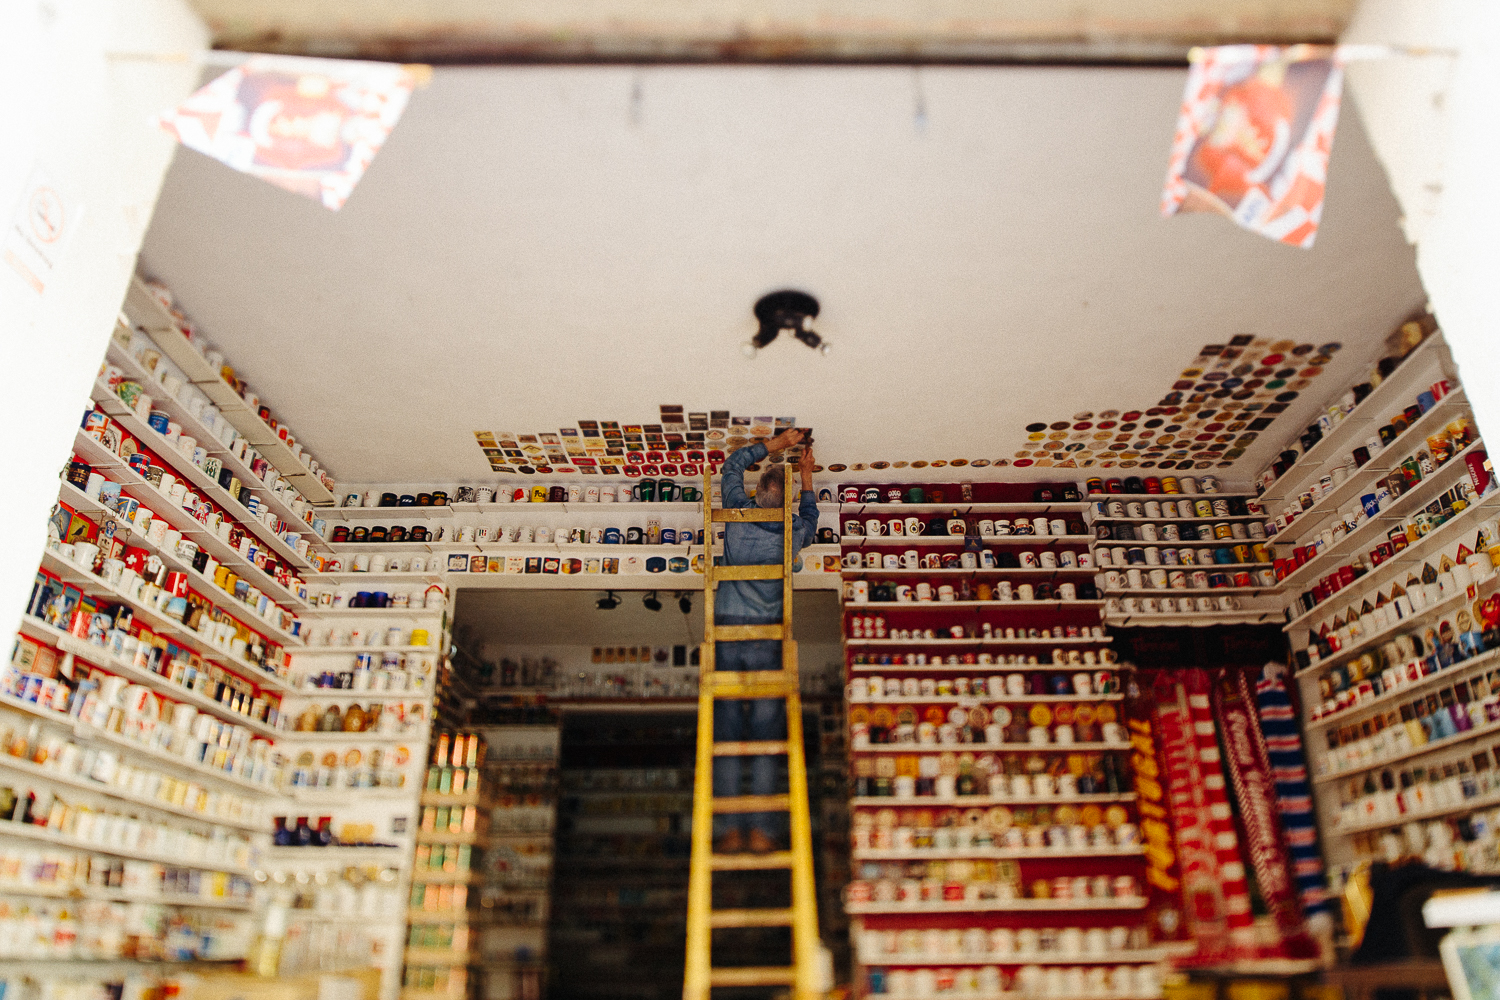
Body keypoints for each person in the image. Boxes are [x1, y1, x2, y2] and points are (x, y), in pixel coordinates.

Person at [712, 428, 819, 855]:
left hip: (726, 634)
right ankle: (759, 831)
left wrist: (774, 446)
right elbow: (811, 519)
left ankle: (728, 832)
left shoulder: (737, 514)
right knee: (763, 734)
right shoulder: (793, 530)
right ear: (786, 500)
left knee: (726, 737)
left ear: (757, 493)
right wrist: (807, 478)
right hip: (768, 638)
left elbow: (731, 465)